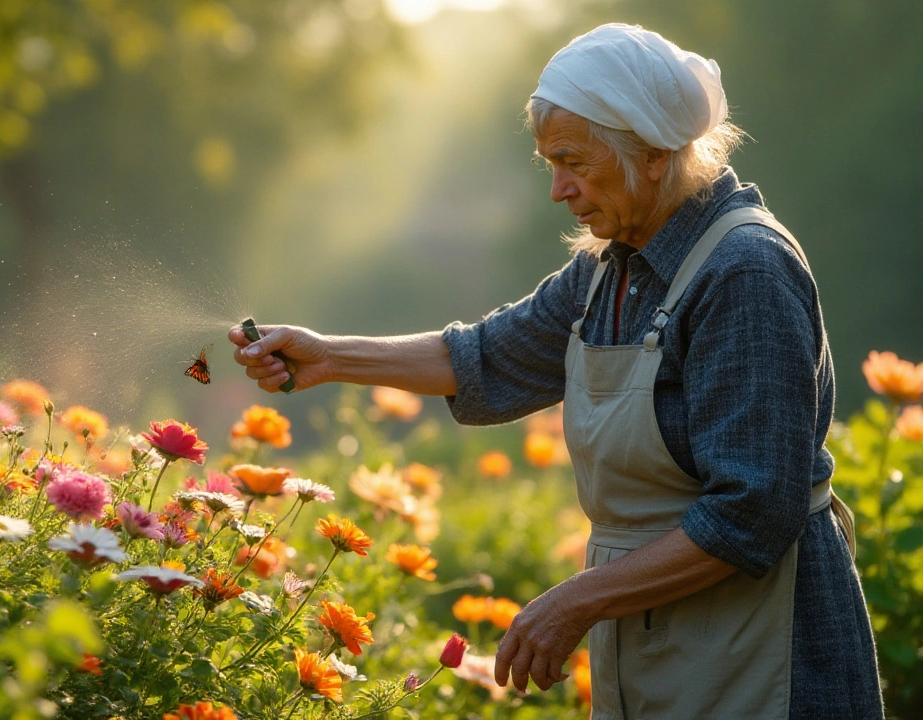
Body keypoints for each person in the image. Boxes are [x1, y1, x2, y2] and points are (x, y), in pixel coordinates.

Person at [228, 23, 883, 720]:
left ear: (654, 151)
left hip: (767, 647)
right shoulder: (608, 267)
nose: (557, 190)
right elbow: (483, 356)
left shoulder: (744, 271)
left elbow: (753, 511)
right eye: (549, 163)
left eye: (571, 161)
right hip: (661, 632)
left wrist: (577, 600)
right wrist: (329, 357)